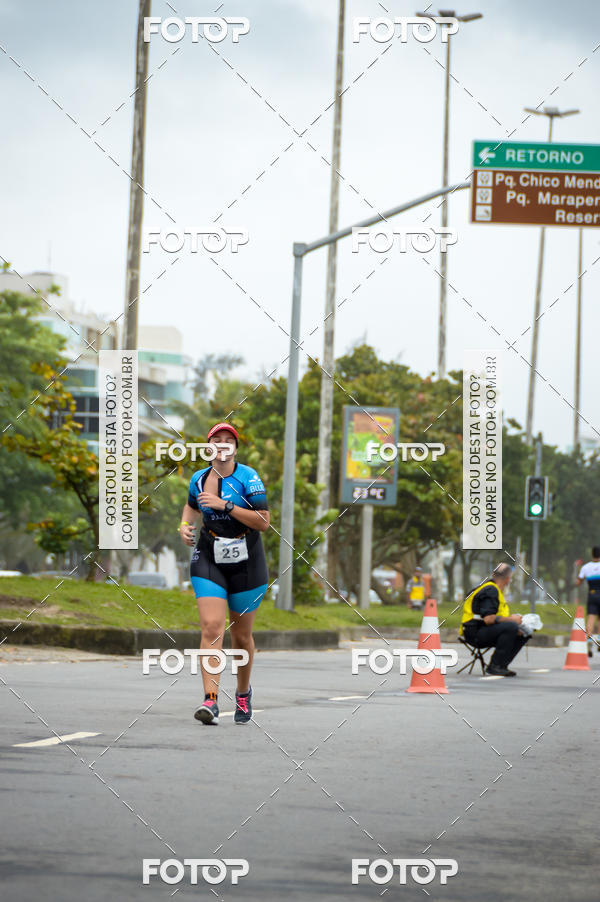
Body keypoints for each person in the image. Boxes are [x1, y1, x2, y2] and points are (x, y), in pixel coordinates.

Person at [179, 422, 270, 725]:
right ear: (209, 447)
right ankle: (211, 699)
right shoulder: (198, 478)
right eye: (216, 440)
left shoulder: (248, 478)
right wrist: (185, 525)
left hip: (247, 560)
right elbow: (192, 506)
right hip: (209, 555)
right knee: (211, 626)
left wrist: (225, 506)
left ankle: (243, 693)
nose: (222, 444)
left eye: (228, 440)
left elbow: (263, 521)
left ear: (235, 448)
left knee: (241, 637)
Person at [460, 563, 529, 677]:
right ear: (508, 579)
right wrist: (512, 619)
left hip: (482, 629)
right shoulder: (490, 590)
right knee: (511, 627)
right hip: (475, 633)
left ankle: (502, 665)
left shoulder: (491, 588)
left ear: (493, 575)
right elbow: (489, 619)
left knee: (524, 632)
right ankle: (495, 666)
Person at [575, 546, 600, 657]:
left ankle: (589, 641)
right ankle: (599, 639)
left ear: (592, 555)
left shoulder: (586, 567)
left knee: (591, 618)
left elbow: (578, 582)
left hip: (592, 594)